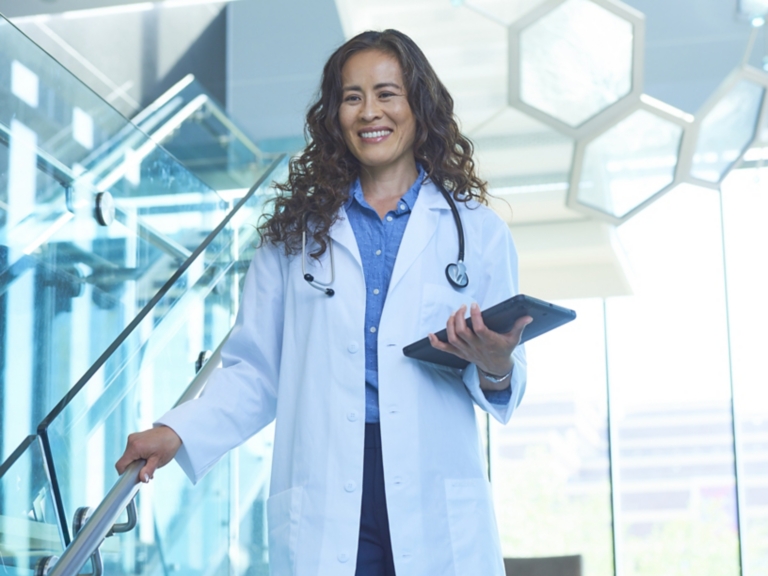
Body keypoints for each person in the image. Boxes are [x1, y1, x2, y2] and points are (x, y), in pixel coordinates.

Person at [116, 29, 531, 576]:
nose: (369, 112)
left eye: (387, 93)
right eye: (351, 97)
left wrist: (496, 364)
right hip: (327, 478)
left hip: (430, 481)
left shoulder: (477, 233)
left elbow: (506, 377)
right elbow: (255, 371)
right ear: (334, 115)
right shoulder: (293, 237)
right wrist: (177, 431)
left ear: (418, 106)